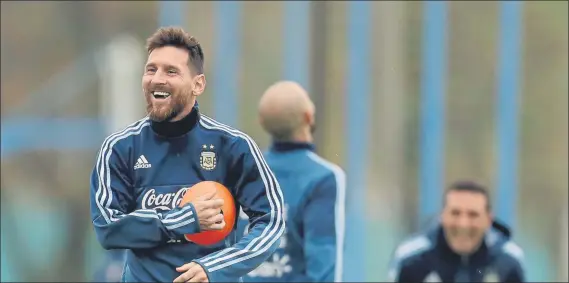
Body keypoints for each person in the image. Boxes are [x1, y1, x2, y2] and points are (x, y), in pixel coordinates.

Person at [89, 26, 285, 283]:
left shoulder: (233, 146)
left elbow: (271, 222)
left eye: (171, 71)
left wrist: (214, 268)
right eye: (151, 69)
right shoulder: (120, 148)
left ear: (198, 85)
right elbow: (107, 227)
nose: (158, 78)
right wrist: (186, 219)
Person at [236, 81, 346, 282]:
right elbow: (323, 260)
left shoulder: (244, 170)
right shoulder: (324, 177)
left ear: (261, 122)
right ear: (308, 117)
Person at [388, 181, 525, 283]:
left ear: (488, 219)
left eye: (473, 215)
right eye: (455, 213)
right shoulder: (412, 259)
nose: (463, 224)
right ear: (442, 216)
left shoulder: (508, 261)